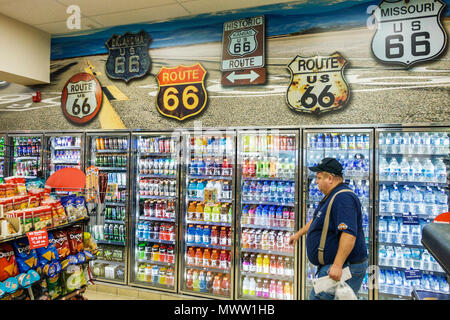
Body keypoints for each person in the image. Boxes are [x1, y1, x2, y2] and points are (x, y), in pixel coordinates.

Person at [289, 157, 368, 300]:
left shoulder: (343, 199)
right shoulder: (333, 196)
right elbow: (319, 220)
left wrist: (337, 265)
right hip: (337, 266)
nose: (317, 182)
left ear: (330, 178)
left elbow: (348, 234)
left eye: (319, 178)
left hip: (344, 267)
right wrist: (299, 234)